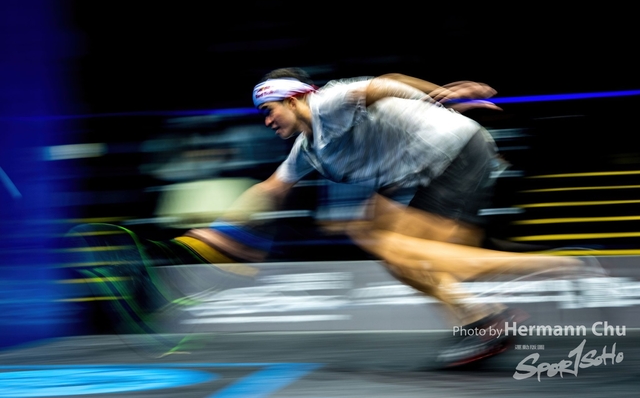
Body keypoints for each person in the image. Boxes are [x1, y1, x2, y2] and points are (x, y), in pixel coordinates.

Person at [64, 67, 583, 365]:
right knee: (392, 256)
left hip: (454, 150)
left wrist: (441, 97)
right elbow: (269, 189)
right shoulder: (309, 150)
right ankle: (482, 320)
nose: (266, 121)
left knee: (404, 250)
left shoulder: (329, 100)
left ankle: (549, 268)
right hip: (423, 170)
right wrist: (197, 238)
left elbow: (382, 83)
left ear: (293, 98)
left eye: (269, 109)